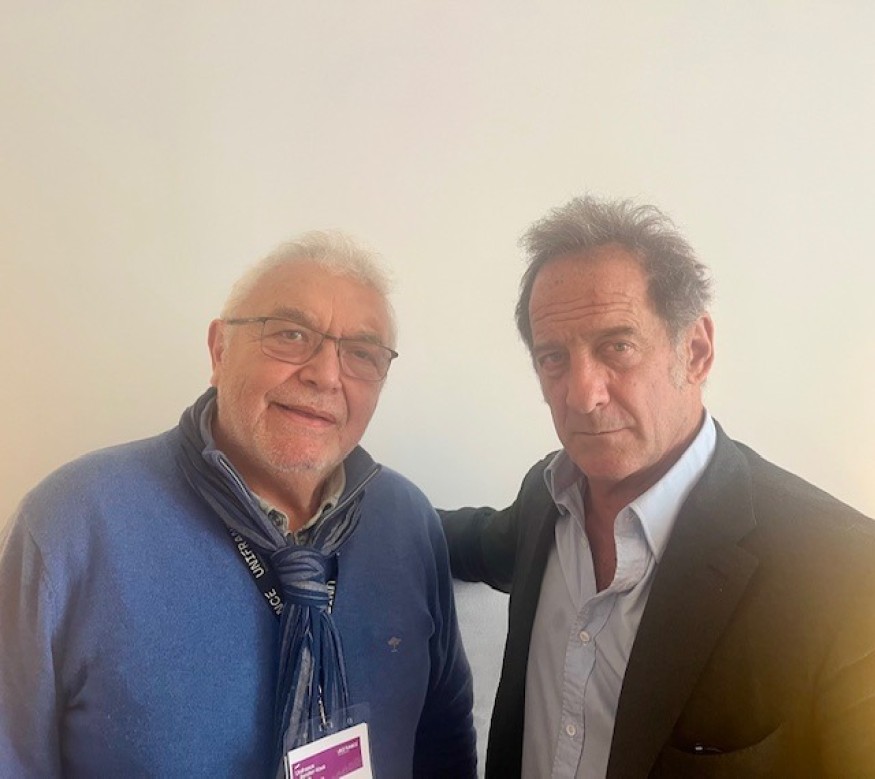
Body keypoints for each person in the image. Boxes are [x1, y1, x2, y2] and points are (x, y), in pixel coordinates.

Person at [0, 231, 477, 778]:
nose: (326, 375)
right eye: (291, 334)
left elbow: (445, 740)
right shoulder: (70, 525)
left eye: (362, 354)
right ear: (219, 349)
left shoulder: (407, 524)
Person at [441, 196, 875, 778]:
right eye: (553, 357)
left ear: (695, 351)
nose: (582, 395)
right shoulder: (546, 500)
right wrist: (339, 495)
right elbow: (462, 537)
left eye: (617, 347)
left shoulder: (846, 574)